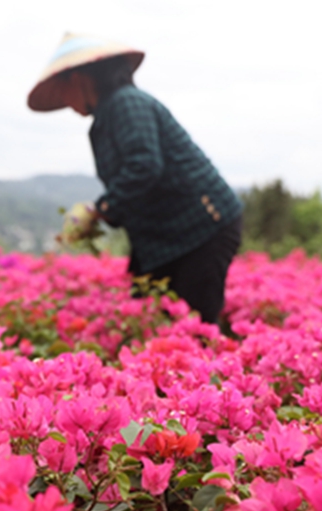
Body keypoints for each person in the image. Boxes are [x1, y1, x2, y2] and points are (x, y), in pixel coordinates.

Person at [28, 34, 243, 325]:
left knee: (194, 327)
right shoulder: (107, 117)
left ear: (78, 80)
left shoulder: (126, 103)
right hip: (167, 235)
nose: (65, 101)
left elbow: (144, 167)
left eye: (63, 91)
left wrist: (99, 209)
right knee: (149, 319)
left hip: (201, 228)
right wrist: (105, 214)